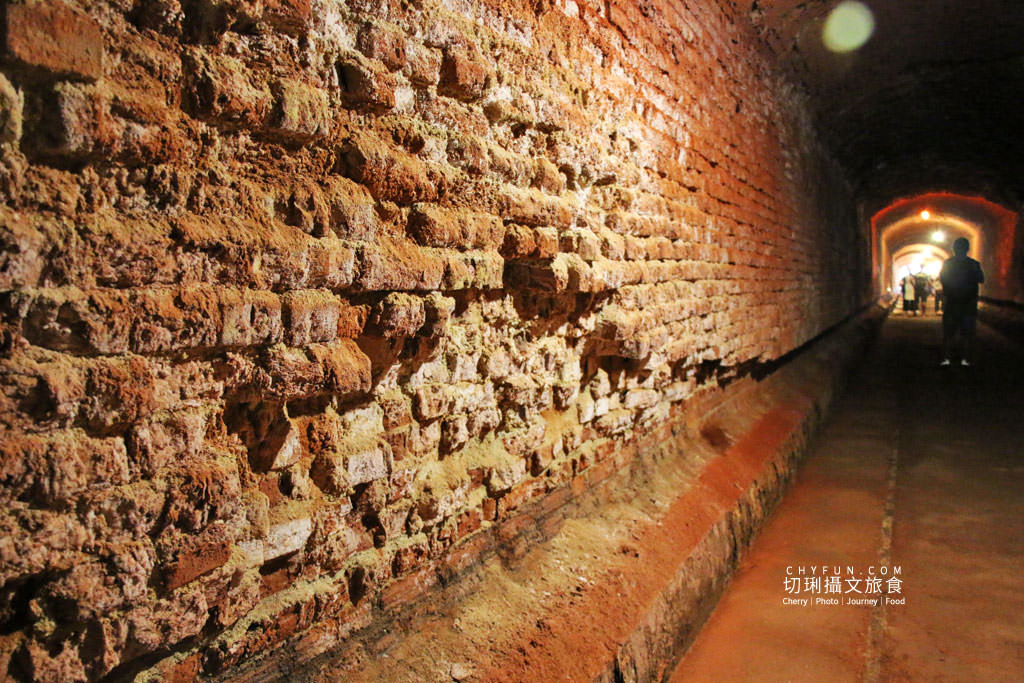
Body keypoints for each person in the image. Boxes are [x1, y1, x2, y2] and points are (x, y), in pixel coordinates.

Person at [939, 237, 984, 366]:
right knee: (967, 333)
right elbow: (981, 279)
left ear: (954, 249)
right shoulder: (974, 264)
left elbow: (943, 279)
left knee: (948, 333)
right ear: (968, 249)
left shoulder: (948, 263)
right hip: (969, 303)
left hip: (952, 302)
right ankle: (965, 359)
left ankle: (946, 359)